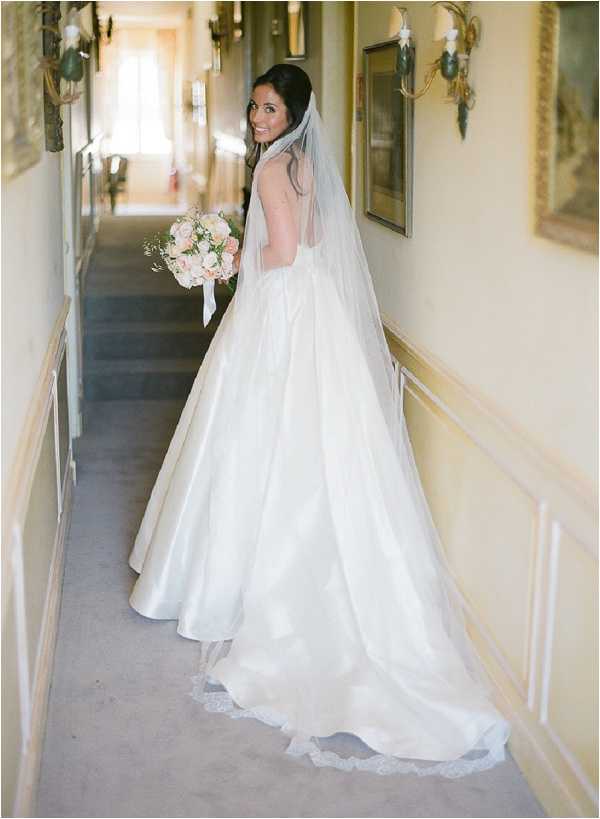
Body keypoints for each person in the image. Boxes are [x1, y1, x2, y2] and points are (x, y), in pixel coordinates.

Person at [128, 64, 510, 776]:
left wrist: (226, 257)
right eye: (255, 106)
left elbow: (280, 252)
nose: (257, 117)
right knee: (322, 444)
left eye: (269, 108)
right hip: (319, 316)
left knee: (253, 437)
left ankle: (233, 585)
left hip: (278, 310)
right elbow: (317, 241)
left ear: (292, 113)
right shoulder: (306, 164)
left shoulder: (273, 169)